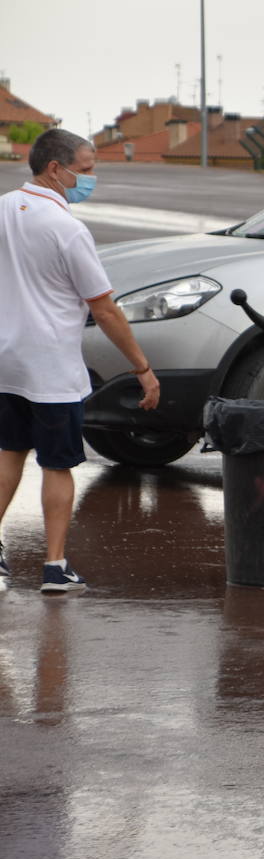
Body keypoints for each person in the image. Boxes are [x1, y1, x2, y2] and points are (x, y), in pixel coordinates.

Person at [0, 128, 160, 593]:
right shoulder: (67, 229)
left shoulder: (5, 207)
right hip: (52, 367)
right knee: (57, 465)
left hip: (6, 361)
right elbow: (104, 307)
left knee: (9, 454)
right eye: (85, 170)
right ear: (56, 168)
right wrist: (142, 368)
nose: (90, 178)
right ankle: (54, 567)